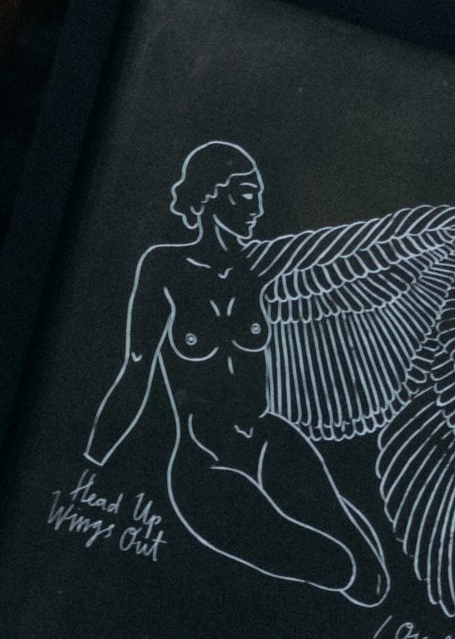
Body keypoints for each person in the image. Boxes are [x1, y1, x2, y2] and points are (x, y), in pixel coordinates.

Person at [85, 140, 391, 604]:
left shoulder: (259, 268)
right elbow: (136, 368)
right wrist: (93, 461)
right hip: (204, 458)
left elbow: (341, 260)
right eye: (246, 195)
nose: (257, 208)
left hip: (271, 439)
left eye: (259, 195)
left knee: (370, 585)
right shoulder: (164, 266)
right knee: (335, 568)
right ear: (210, 195)